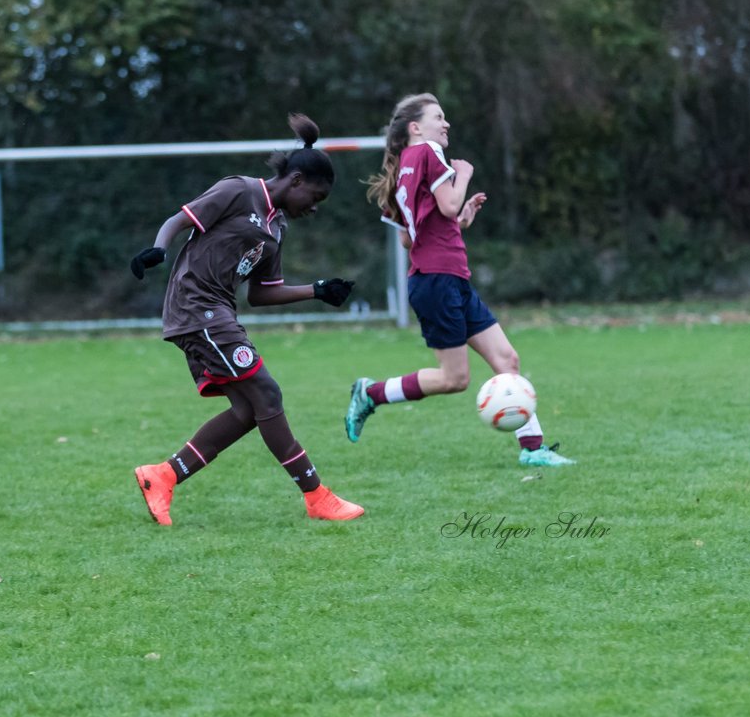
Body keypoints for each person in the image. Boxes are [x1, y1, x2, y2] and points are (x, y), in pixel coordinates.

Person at [130, 113, 366, 524]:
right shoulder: (239, 191)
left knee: (248, 410)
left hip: (218, 312)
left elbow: (260, 293)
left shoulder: (277, 229)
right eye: (314, 196)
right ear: (295, 181)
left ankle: (162, 476)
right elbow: (179, 219)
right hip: (196, 307)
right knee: (267, 394)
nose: (313, 207)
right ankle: (316, 496)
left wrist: (317, 289)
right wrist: (158, 249)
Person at [343, 94, 573, 467]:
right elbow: (448, 205)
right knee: (454, 379)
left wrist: (460, 221)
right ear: (416, 127)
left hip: (448, 278)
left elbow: (409, 236)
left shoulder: (404, 164)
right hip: (437, 281)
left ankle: (533, 450)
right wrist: (463, 175)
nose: (445, 124)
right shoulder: (429, 152)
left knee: (507, 359)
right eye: (439, 116)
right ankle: (371, 393)